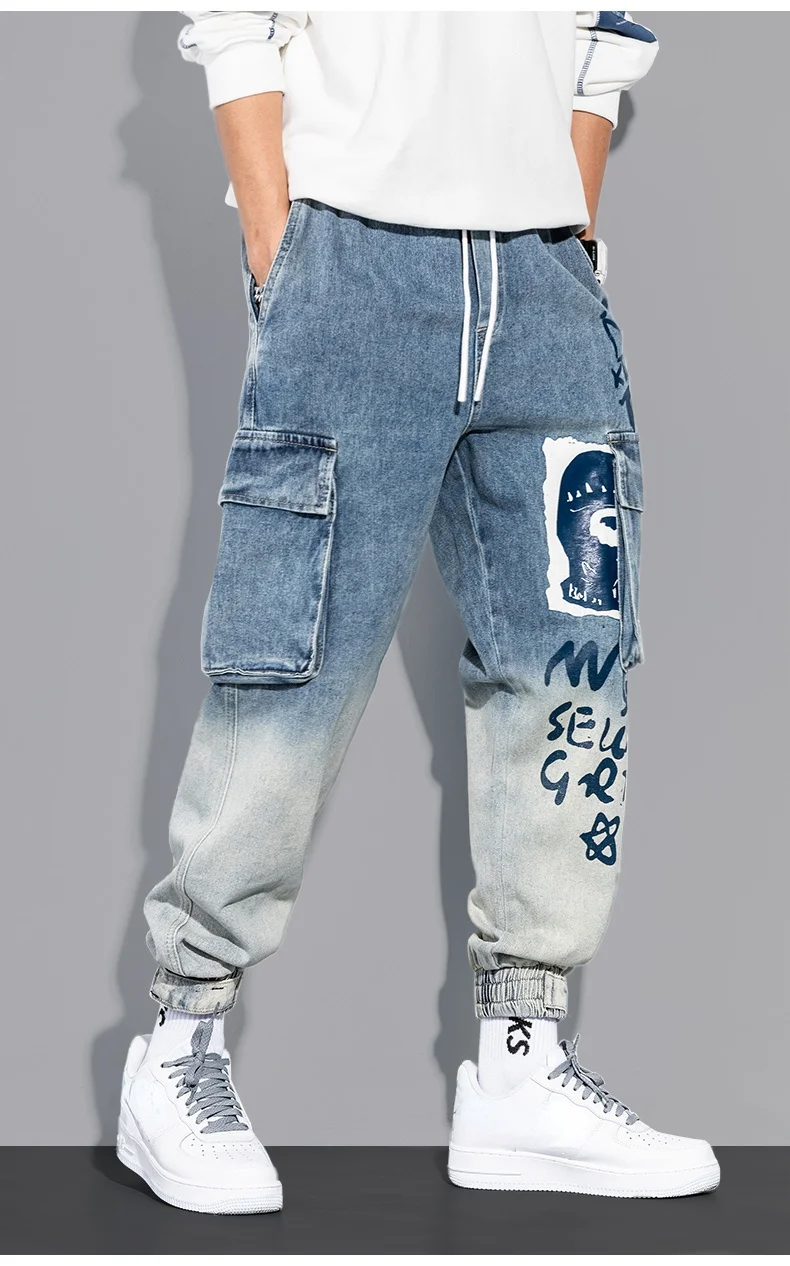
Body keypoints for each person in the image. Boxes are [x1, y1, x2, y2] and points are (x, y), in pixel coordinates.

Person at [117, 11, 720, 1213]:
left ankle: (521, 1063)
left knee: (570, 663)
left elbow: (604, 37)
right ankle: (179, 1044)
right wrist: (279, 250)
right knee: (292, 662)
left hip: (543, 282)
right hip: (350, 263)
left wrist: (571, 236)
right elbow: (235, 21)